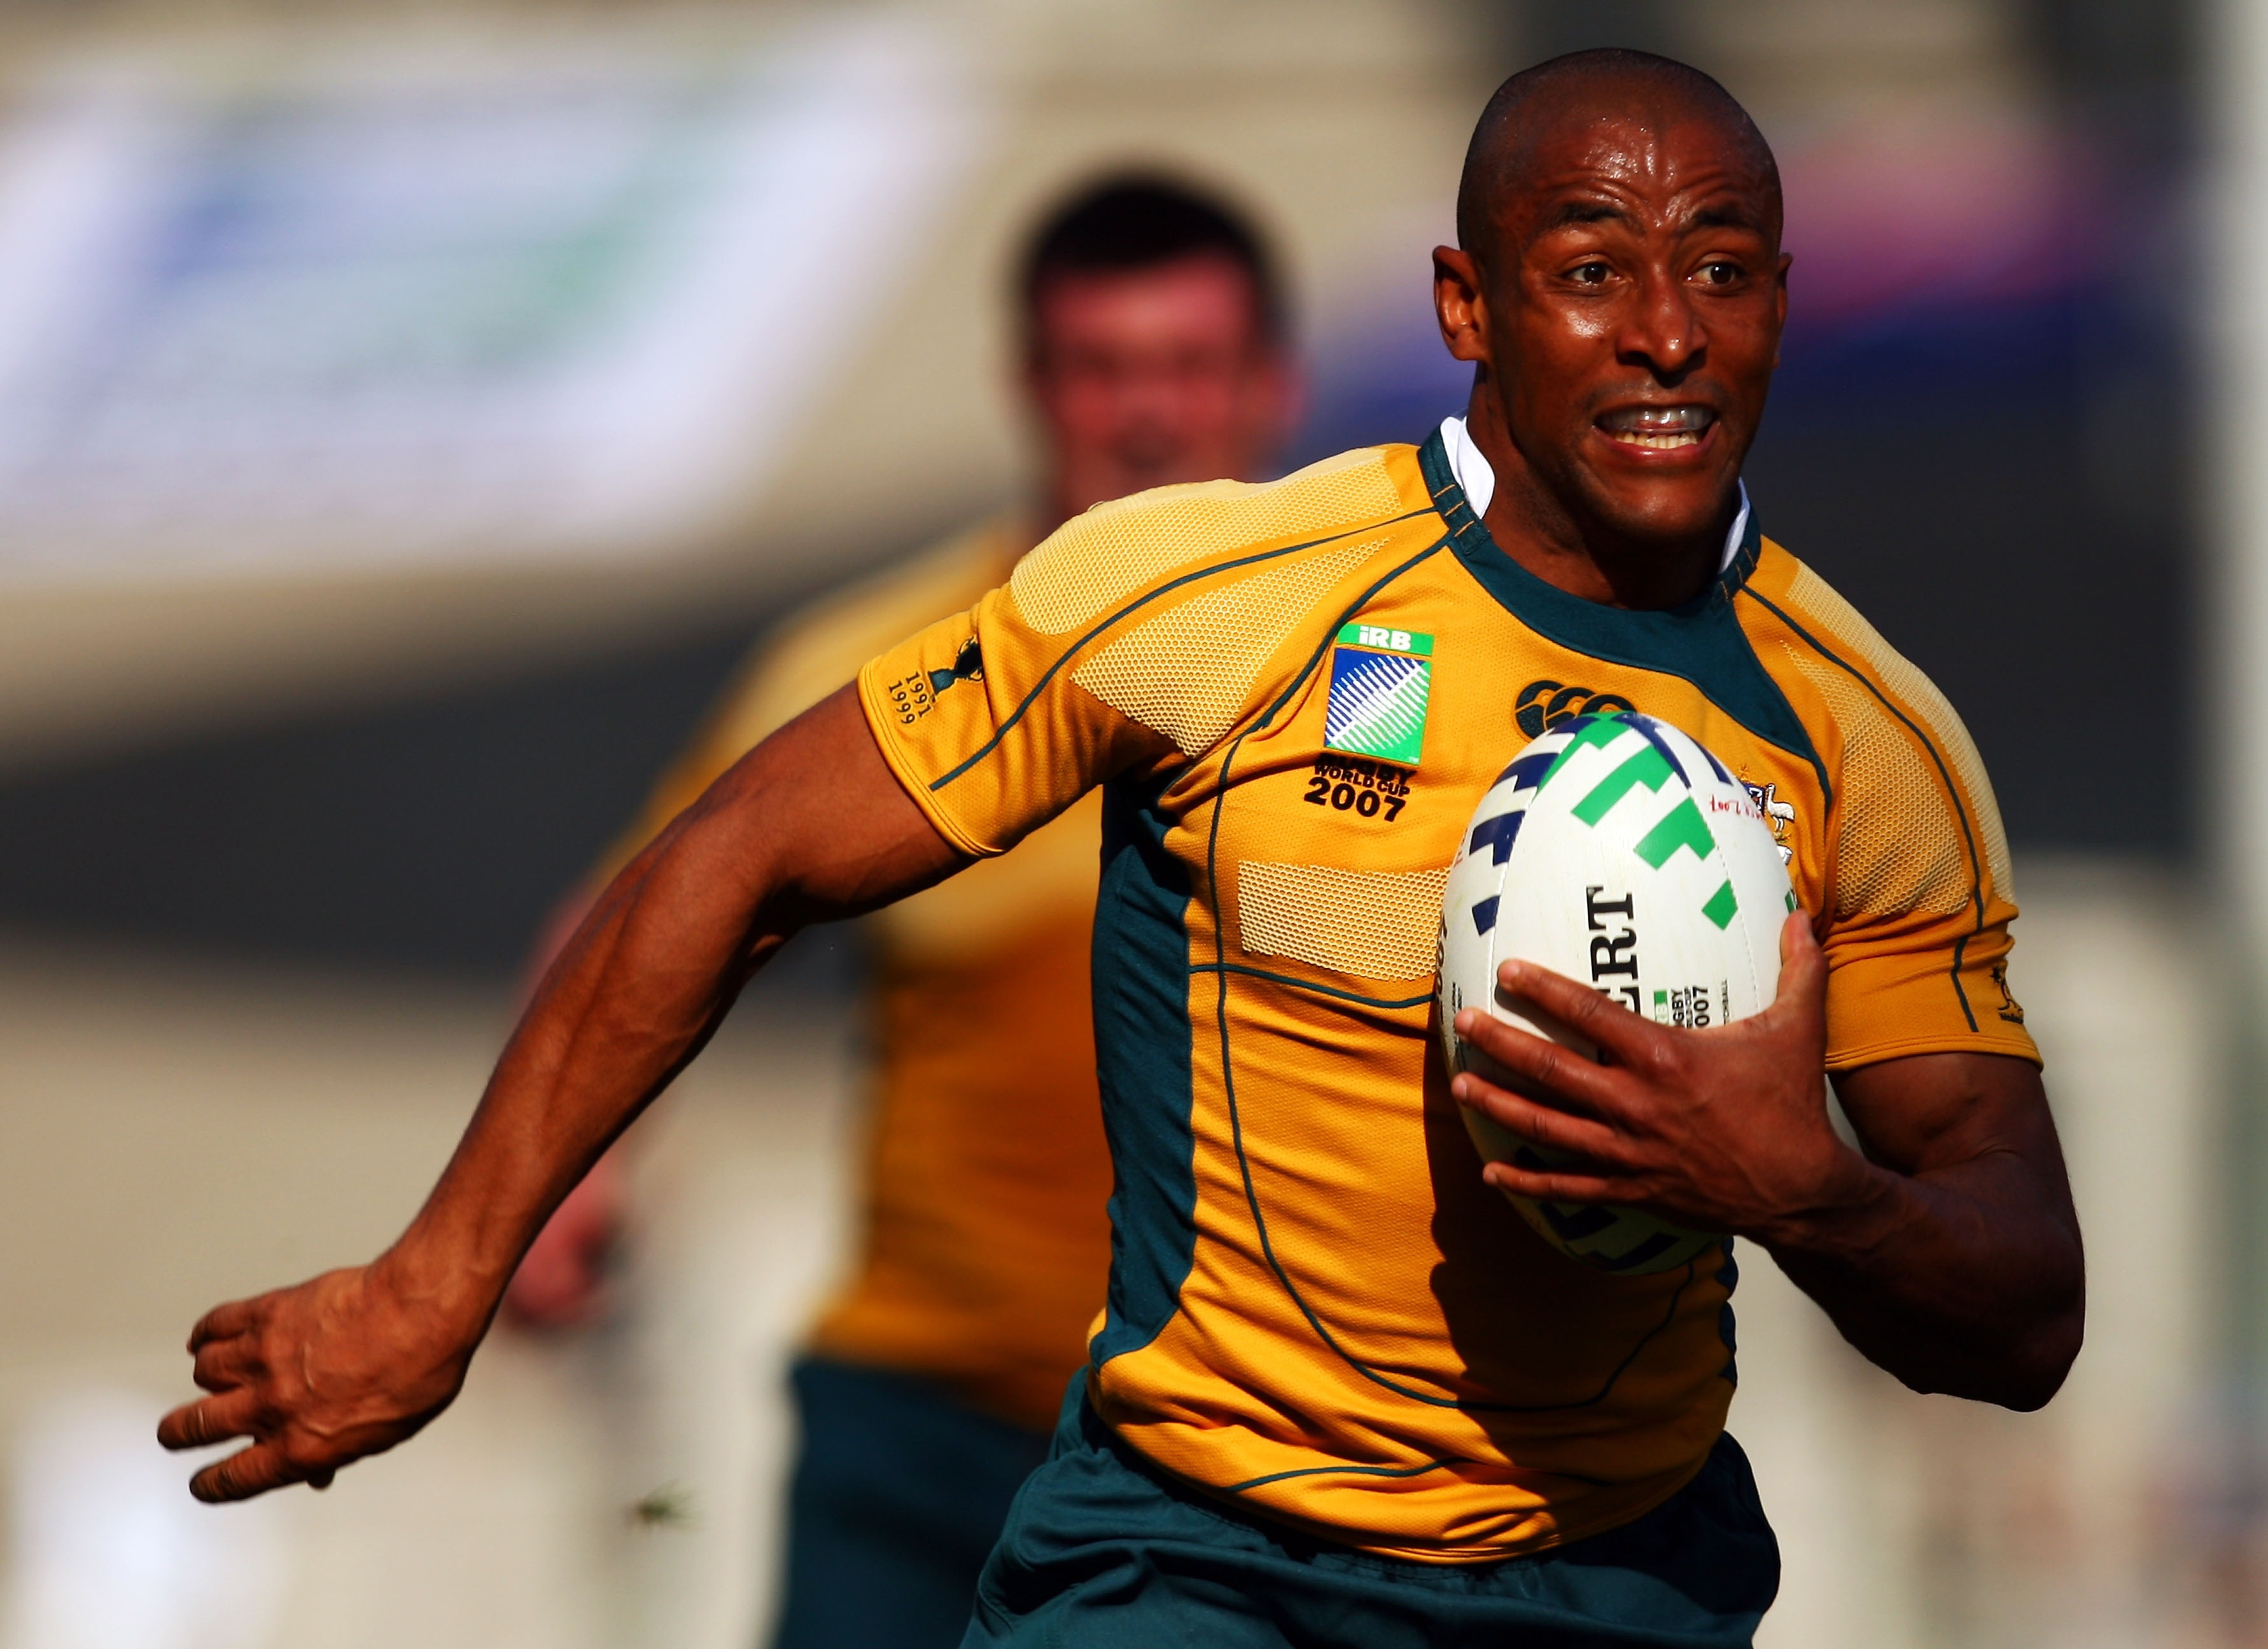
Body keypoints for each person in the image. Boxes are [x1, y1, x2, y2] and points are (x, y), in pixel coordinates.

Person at [162, 51, 2084, 1649]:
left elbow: (2022, 1309)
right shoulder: (1213, 599)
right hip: (1196, 1558)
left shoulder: (1865, 735)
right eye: (1595, 268)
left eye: (1727, 270)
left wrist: (1799, 1192)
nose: (1668, 331)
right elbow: (732, 853)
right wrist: (440, 1277)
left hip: (1608, 1579)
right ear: (1468, 306)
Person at [505, 175, 1303, 1647]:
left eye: (1189, 369)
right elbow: (641, 908)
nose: (1146, 418)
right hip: (922, 1422)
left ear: (1272, 386)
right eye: (1101, 370)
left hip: (1252, 1457)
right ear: (1027, 386)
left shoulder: (1388, 671)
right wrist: (556, 1182)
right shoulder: (881, 662)